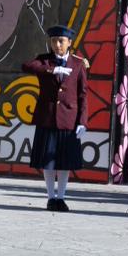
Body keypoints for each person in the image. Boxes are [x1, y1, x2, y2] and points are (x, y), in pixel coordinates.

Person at [23, 25, 88, 211]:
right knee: (48, 161)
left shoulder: (78, 63)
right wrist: (53, 70)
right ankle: (51, 197)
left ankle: (61, 196)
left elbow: (83, 94)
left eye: (61, 41)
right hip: (48, 117)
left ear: (69, 42)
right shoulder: (44, 60)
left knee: (64, 162)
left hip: (69, 118)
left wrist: (82, 121)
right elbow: (27, 66)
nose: (57, 44)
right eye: (54, 41)